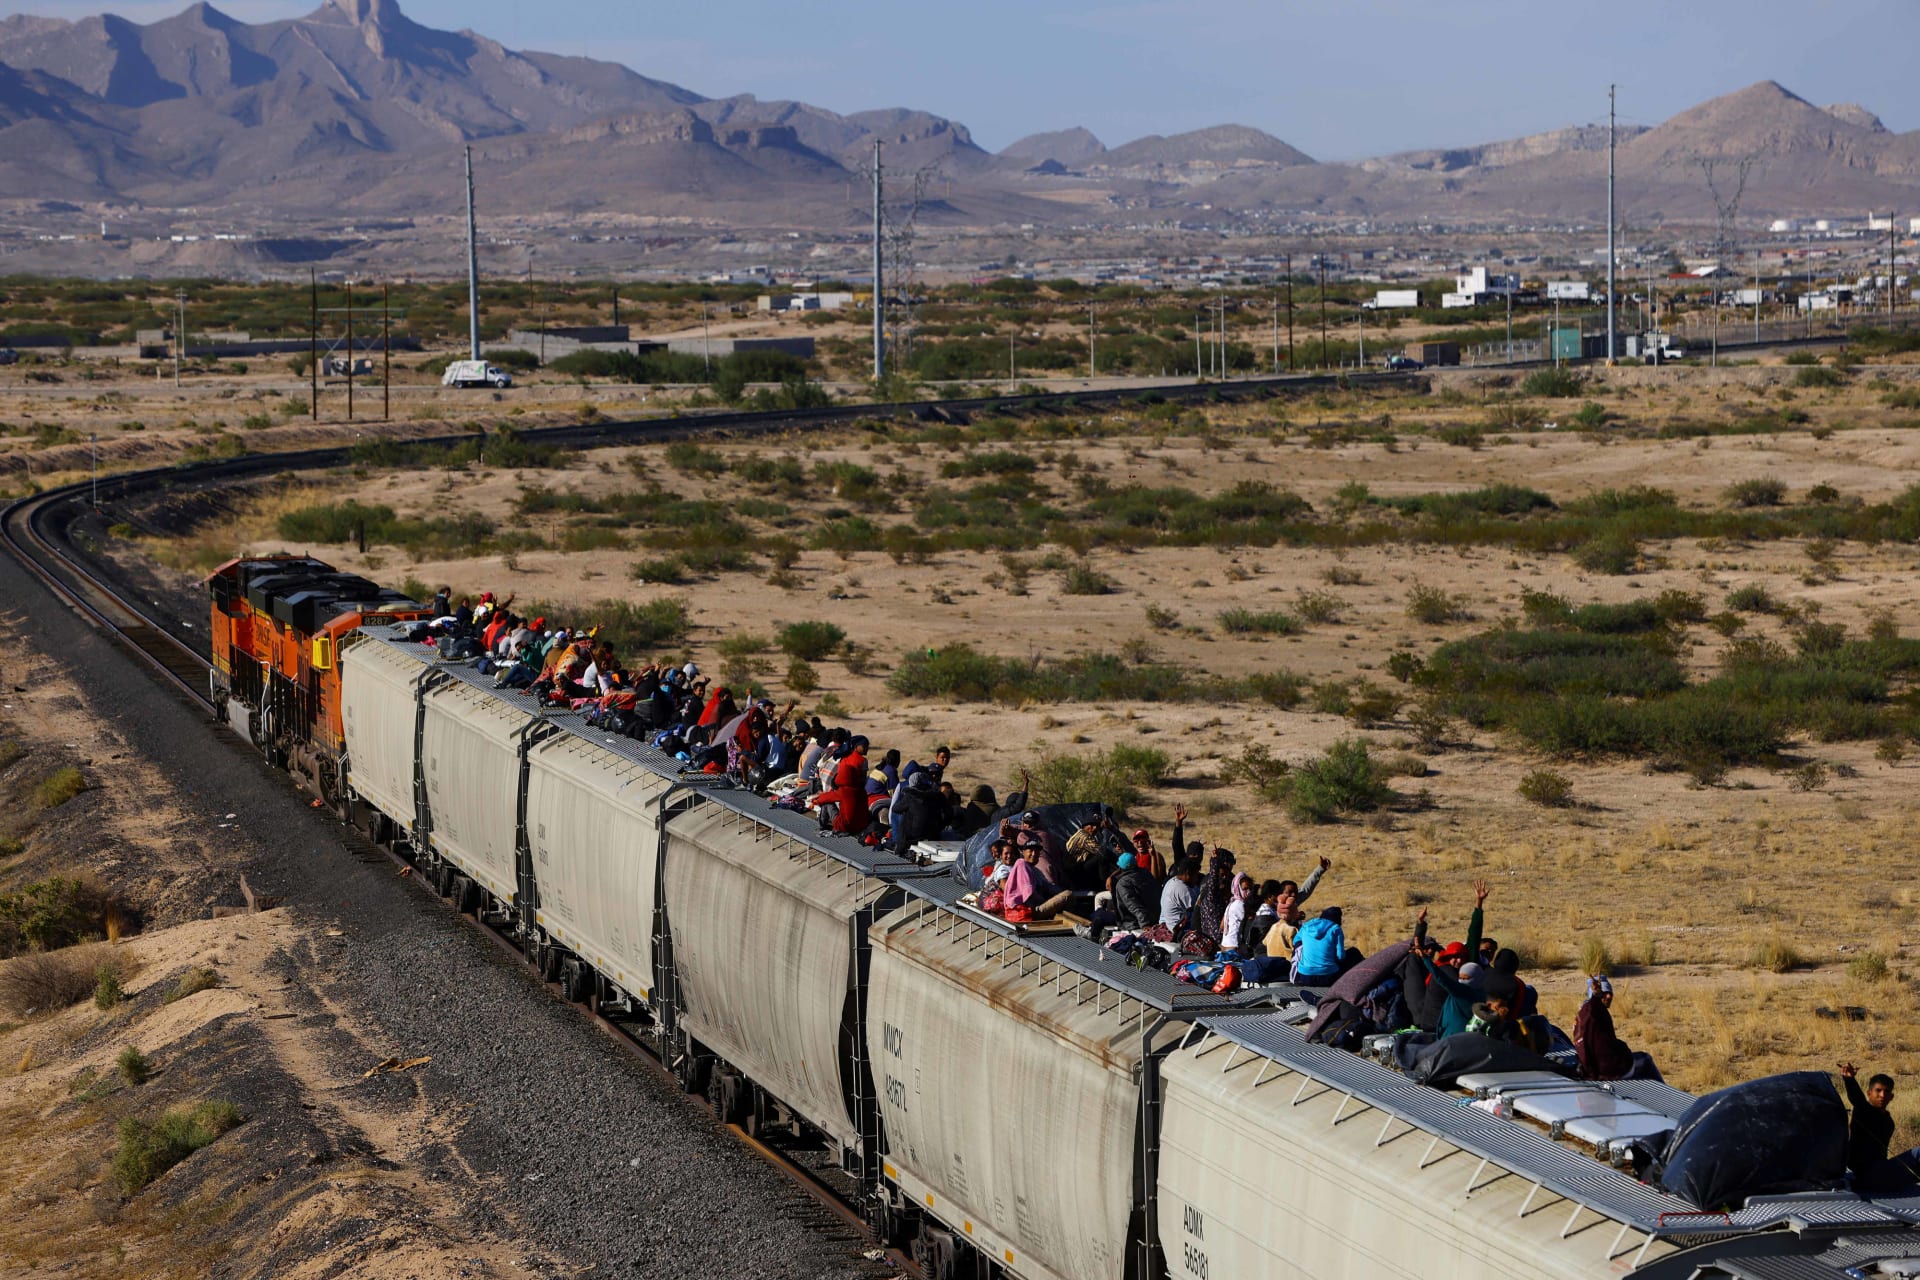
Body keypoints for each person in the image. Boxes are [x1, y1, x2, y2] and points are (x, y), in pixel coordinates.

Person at [1573, 976, 1660, 1081]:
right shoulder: (1591, 1013)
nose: (1609, 996)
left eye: (1610, 992)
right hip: (1610, 1070)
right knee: (1646, 1059)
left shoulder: (1584, 1016)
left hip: (1596, 1070)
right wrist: (1596, 995)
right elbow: (1592, 1007)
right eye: (1604, 993)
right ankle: (1666, 1096)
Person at [1839, 1062, 1897, 1177]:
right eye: (1878, 1090)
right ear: (1869, 1093)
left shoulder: (1889, 1122)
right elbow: (1857, 1099)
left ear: (1891, 1097)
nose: (1882, 1095)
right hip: (1861, 1172)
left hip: (1880, 1170)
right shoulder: (1863, 1111)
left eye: (1887, 1091)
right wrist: (1849, 1080)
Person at [1292, 906, 1347, 984]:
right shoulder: (1336, 928)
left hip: (1305, 976)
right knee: (1353, 953)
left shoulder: (1306, 926)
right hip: (1328, 976)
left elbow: (1296, 942)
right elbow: (1341, 956)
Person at [1159, 857, 1202, 932]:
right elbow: (1198, 912)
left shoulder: (1172, 881)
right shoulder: (1183, 890)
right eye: (1195, 875)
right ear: (1187, 873)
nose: (1197, 878)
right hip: (1178, 929)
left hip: (1169, 923)